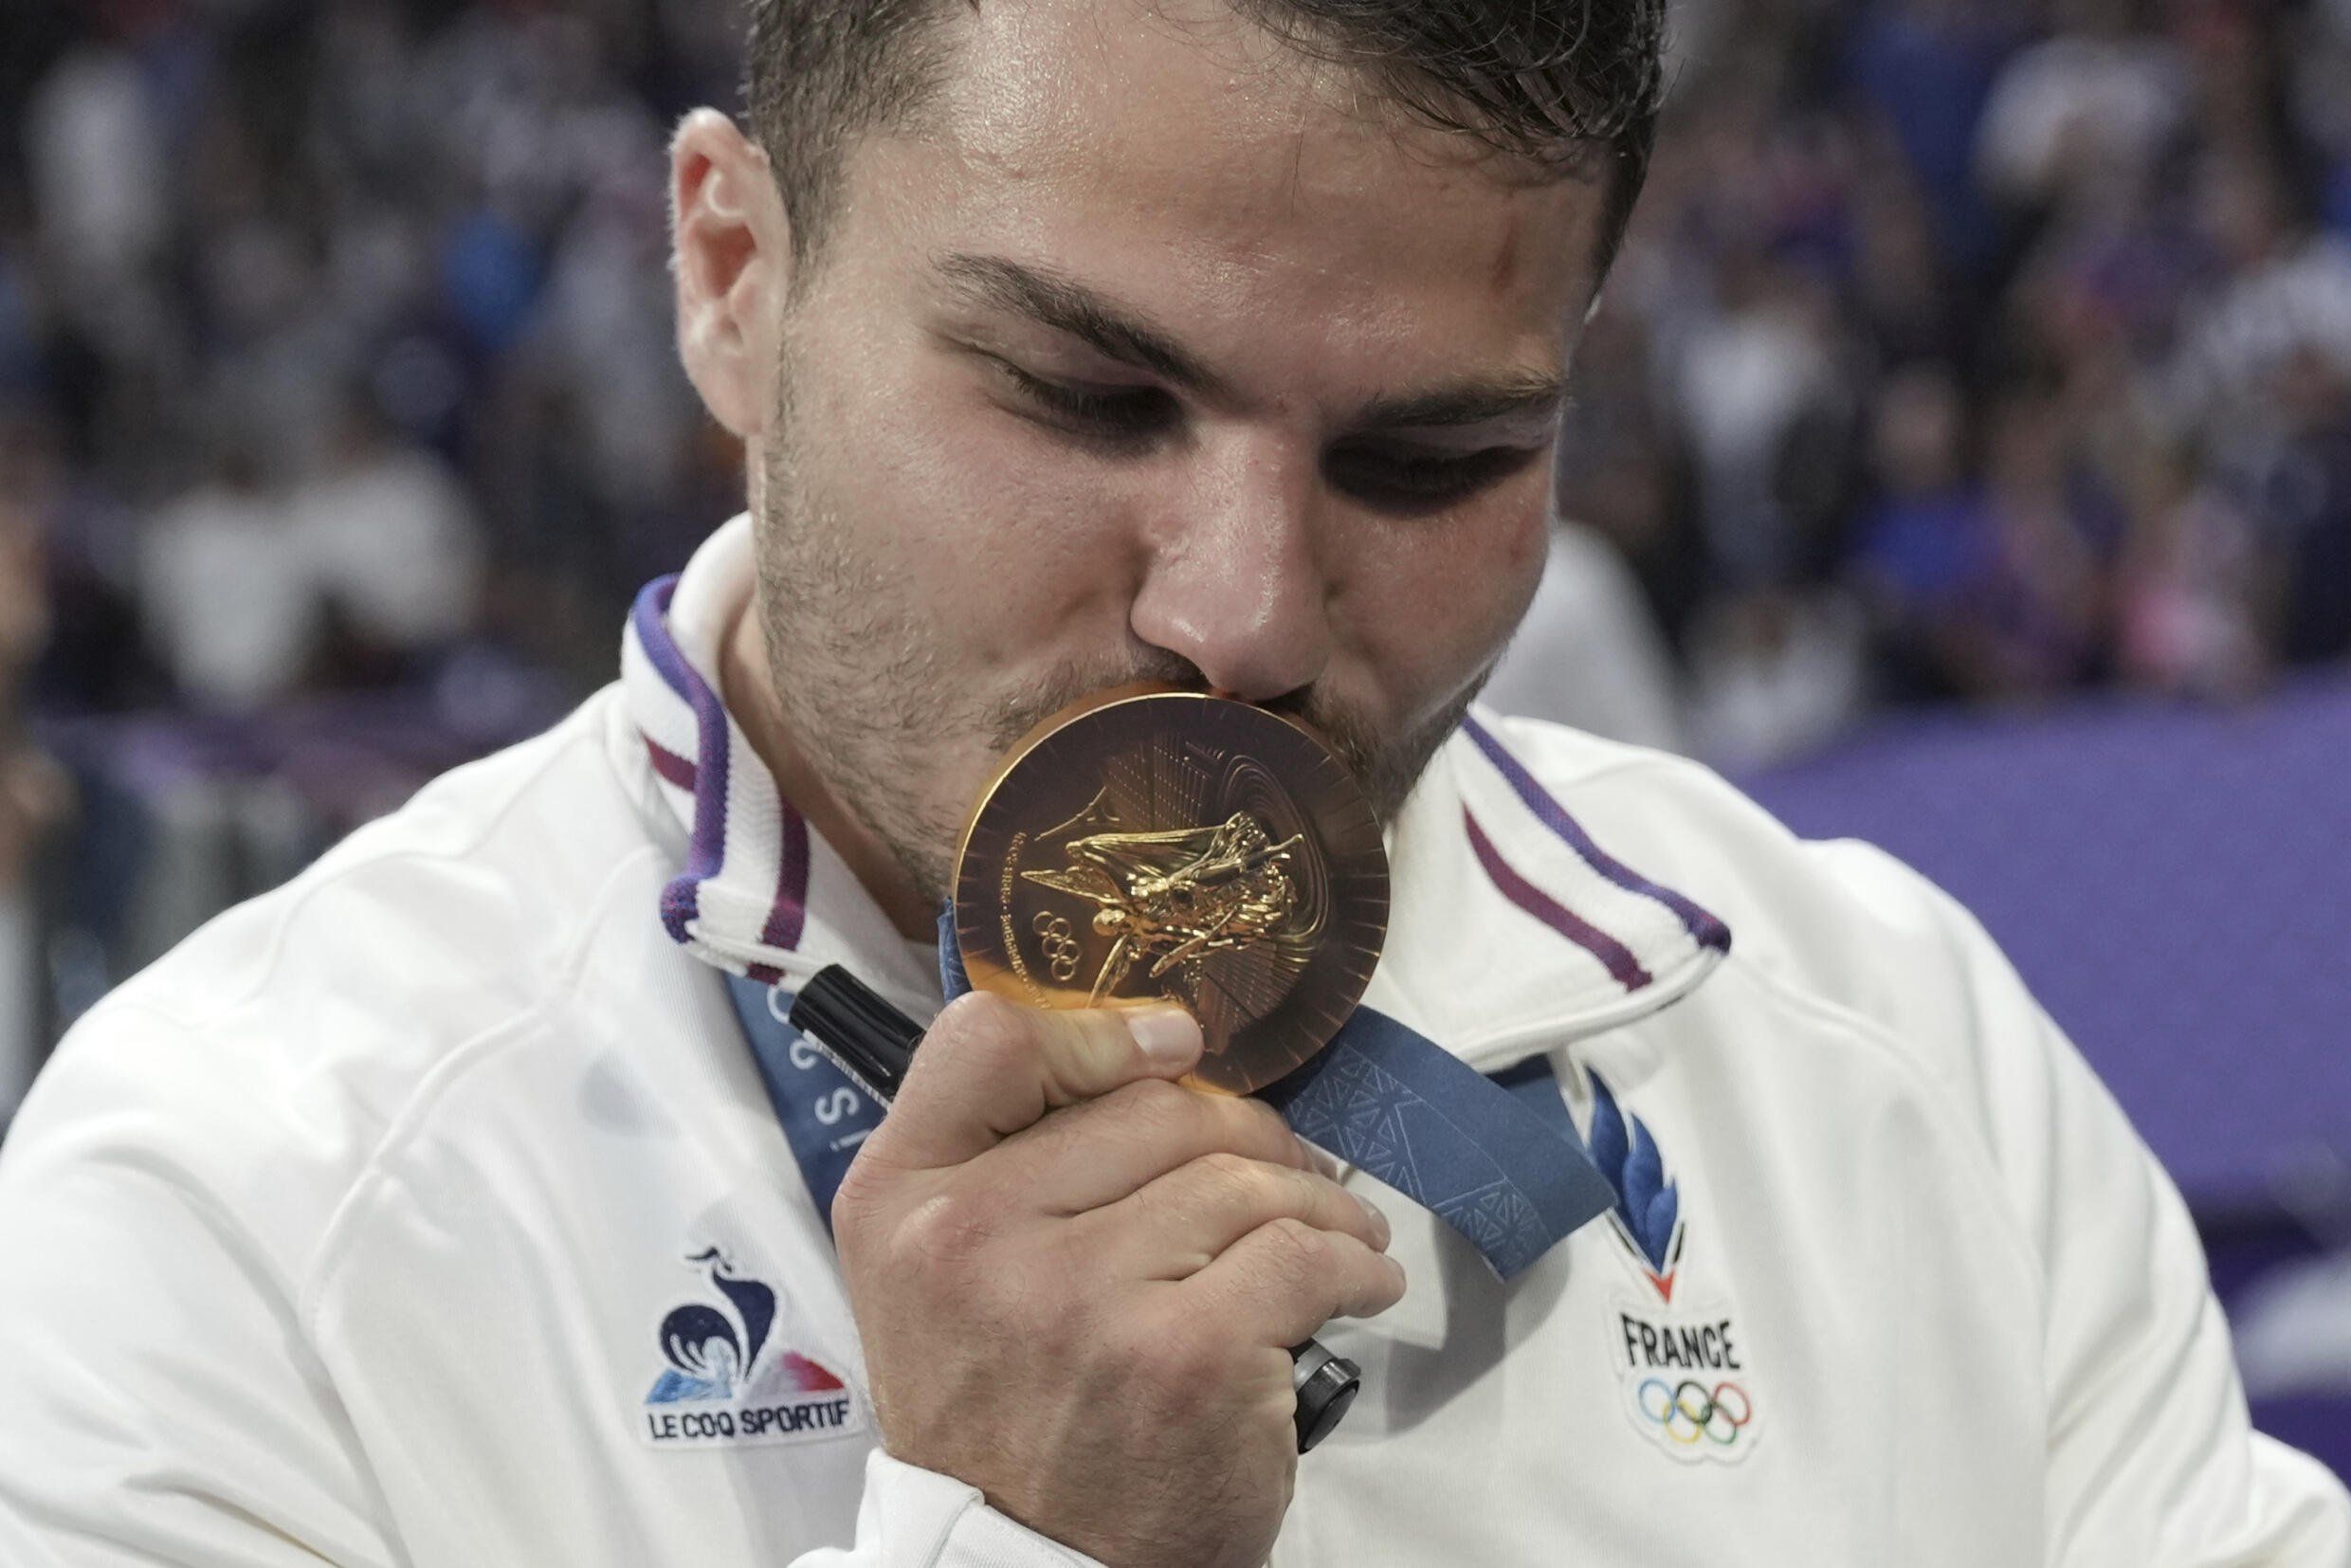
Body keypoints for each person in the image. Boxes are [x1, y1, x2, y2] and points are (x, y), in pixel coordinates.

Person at [0, 3, 2343, 1566]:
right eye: (1085, 399)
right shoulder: (233, 1209)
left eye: (1436, 455)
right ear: (731, 274)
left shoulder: (1896, 1061)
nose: (1243, 617)